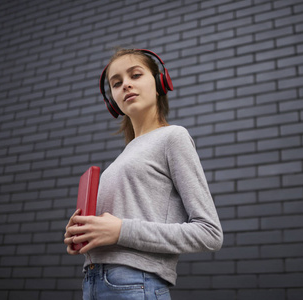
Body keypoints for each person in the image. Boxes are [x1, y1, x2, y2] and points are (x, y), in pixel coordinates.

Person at [64, 48, 223, 300]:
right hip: (94, 281)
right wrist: (84, 234)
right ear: (111, 100)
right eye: (116, 83)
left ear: (160, 82)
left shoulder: (173, 137)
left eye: (135, 75)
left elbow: (210, 233)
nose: (125, 85)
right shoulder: (123, 156)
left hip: (136, 282)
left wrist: (120, 231)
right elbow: (115, 228)